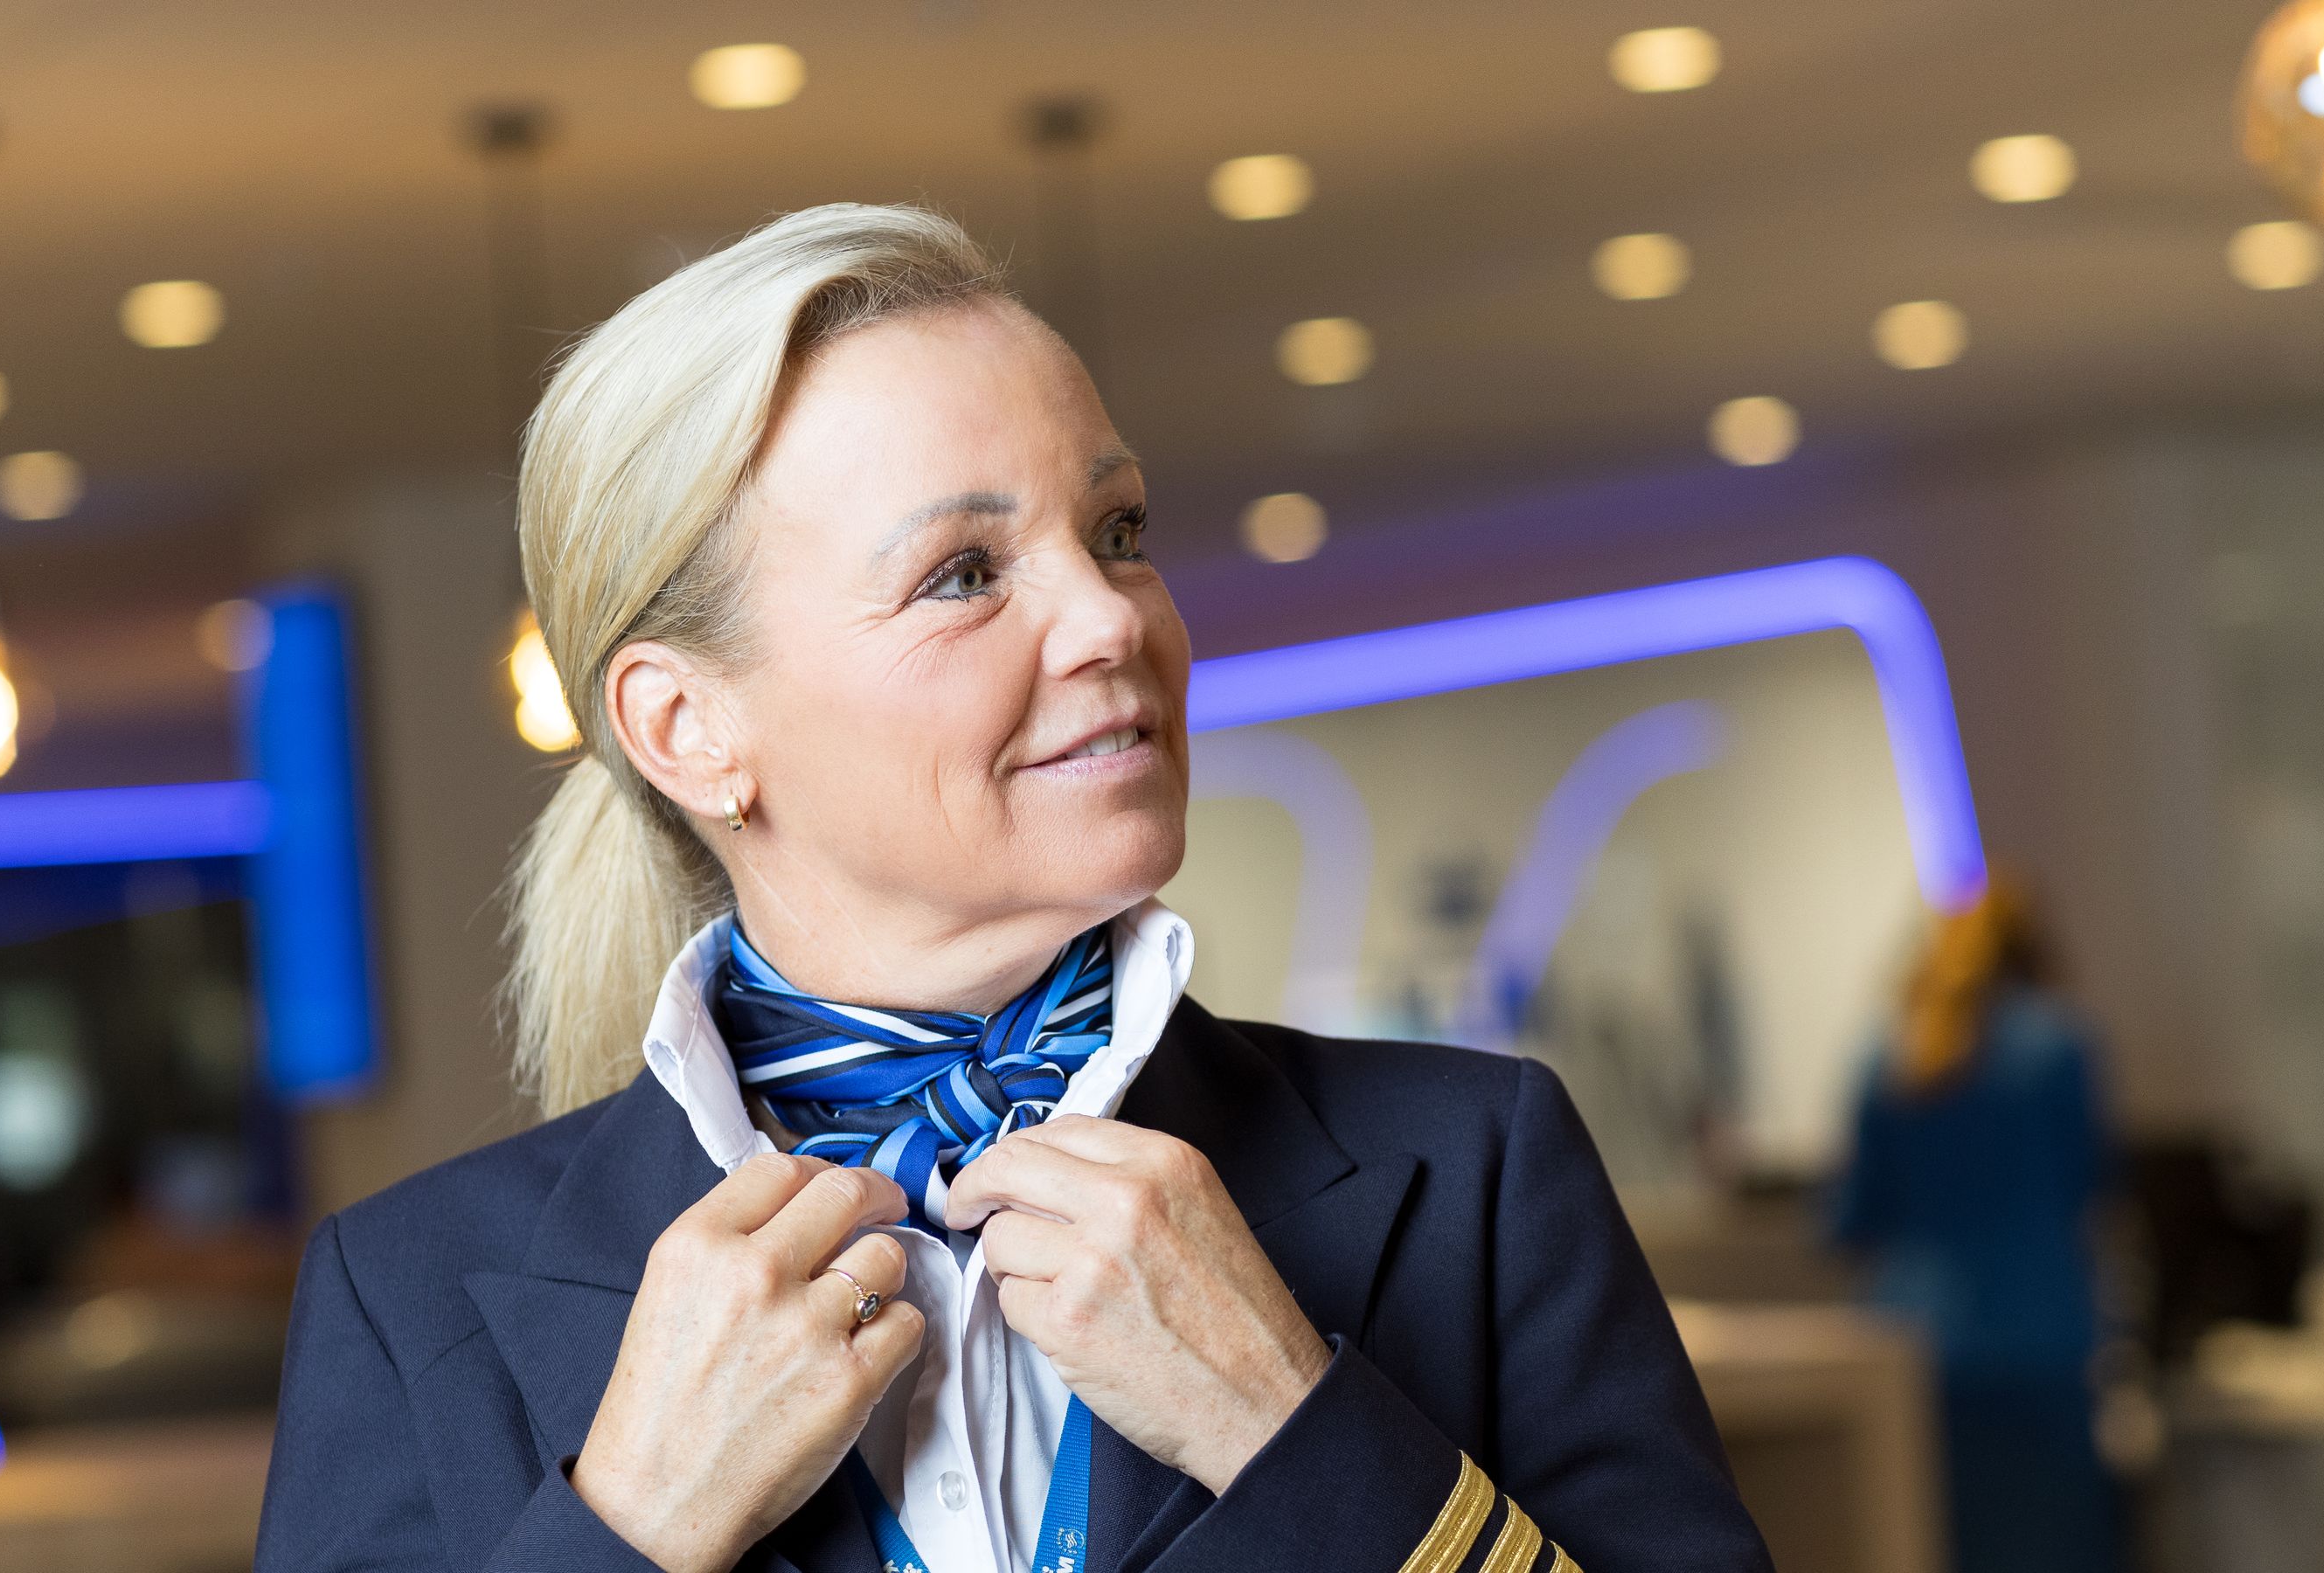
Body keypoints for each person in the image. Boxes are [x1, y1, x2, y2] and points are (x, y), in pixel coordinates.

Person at [253, 204, 1770, 1573]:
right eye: (965, 574)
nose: (1112, 619)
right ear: (688, 728)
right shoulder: (409, 1300)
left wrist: (1287, 1423)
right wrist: (633, 1523)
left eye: (1119, 534)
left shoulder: (1479, 1169)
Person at [1828, 872, 2122, 1573]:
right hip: (2038, 1344)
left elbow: (1851, 1220)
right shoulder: (2059, 1046)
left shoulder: (1885, 1055)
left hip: (1913, 1350)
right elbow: (2091, 1186)